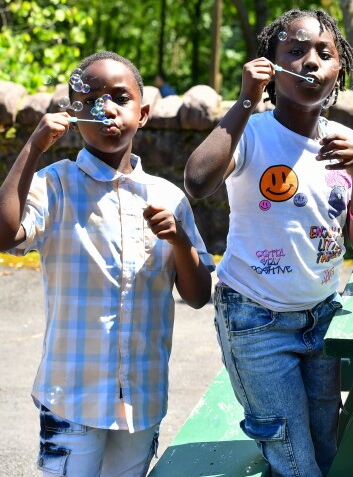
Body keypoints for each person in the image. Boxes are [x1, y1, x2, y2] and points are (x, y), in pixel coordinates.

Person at [184, 9, 353, 476]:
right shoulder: (250, 134)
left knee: (326, 448)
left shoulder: (347, 142)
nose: (310, 61)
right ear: (271, 67)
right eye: (295, 51)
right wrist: (243, 103)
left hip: (321, 318)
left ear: (340, 71)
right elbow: (196, 180)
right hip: (255, 320)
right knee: (293, 458)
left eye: (324, 53)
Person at [0, 51, 214, 476]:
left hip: (142, 398)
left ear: (144, 112)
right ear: (73, 114)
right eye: (92, 98)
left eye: (120, 96)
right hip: (71, 397)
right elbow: (5, 235)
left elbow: (197, 294)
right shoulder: (54, 184)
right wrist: (32, 148)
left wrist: (179, 239)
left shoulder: (168, 198)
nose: (107, 107)